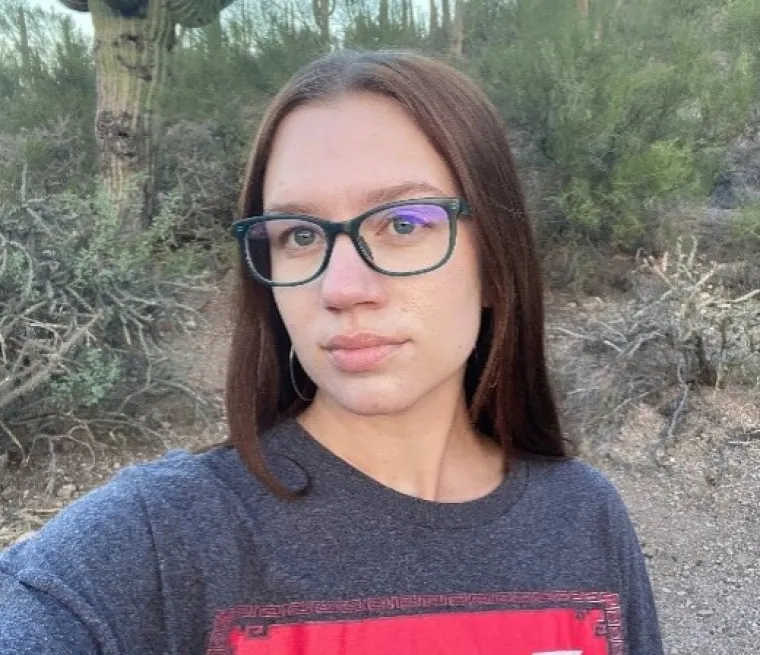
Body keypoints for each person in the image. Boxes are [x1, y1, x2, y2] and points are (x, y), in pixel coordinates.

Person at [0, 50, 663, 655]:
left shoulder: (584, 519)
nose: (341, 287)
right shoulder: (166, 535)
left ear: (495, 264)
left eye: (404, 224)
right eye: (297, 235)